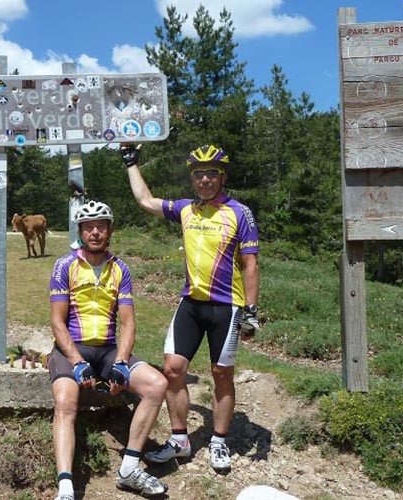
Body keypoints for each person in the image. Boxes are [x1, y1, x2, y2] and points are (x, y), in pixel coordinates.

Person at [119, 142, 260, 474]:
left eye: (212, 173)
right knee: (173, 369)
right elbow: (145, 201)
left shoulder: (240, 212)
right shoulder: (186, 209)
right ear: (193, 179)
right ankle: (180, 439)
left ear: (222, 176)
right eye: (199, 174)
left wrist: (251, 311)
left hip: (227, 307)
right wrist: (130, 163)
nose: (205, 180)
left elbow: (251, 265)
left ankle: (219, 440)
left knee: (221, 373)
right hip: (191, 304)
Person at [48, 200, 170, 500]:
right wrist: (76, 362)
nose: (95, 233)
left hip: (106, 350)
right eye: (88, 227)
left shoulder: (120, 269)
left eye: (100, 227)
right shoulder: (65, 265)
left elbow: (128, 324)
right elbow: (56, 321)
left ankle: (129, 468)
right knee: (66, 401)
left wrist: (121, 361)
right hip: (69, 349)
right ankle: (65, 485)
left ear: (110, 231)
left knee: (157, 385)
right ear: (80, 232)